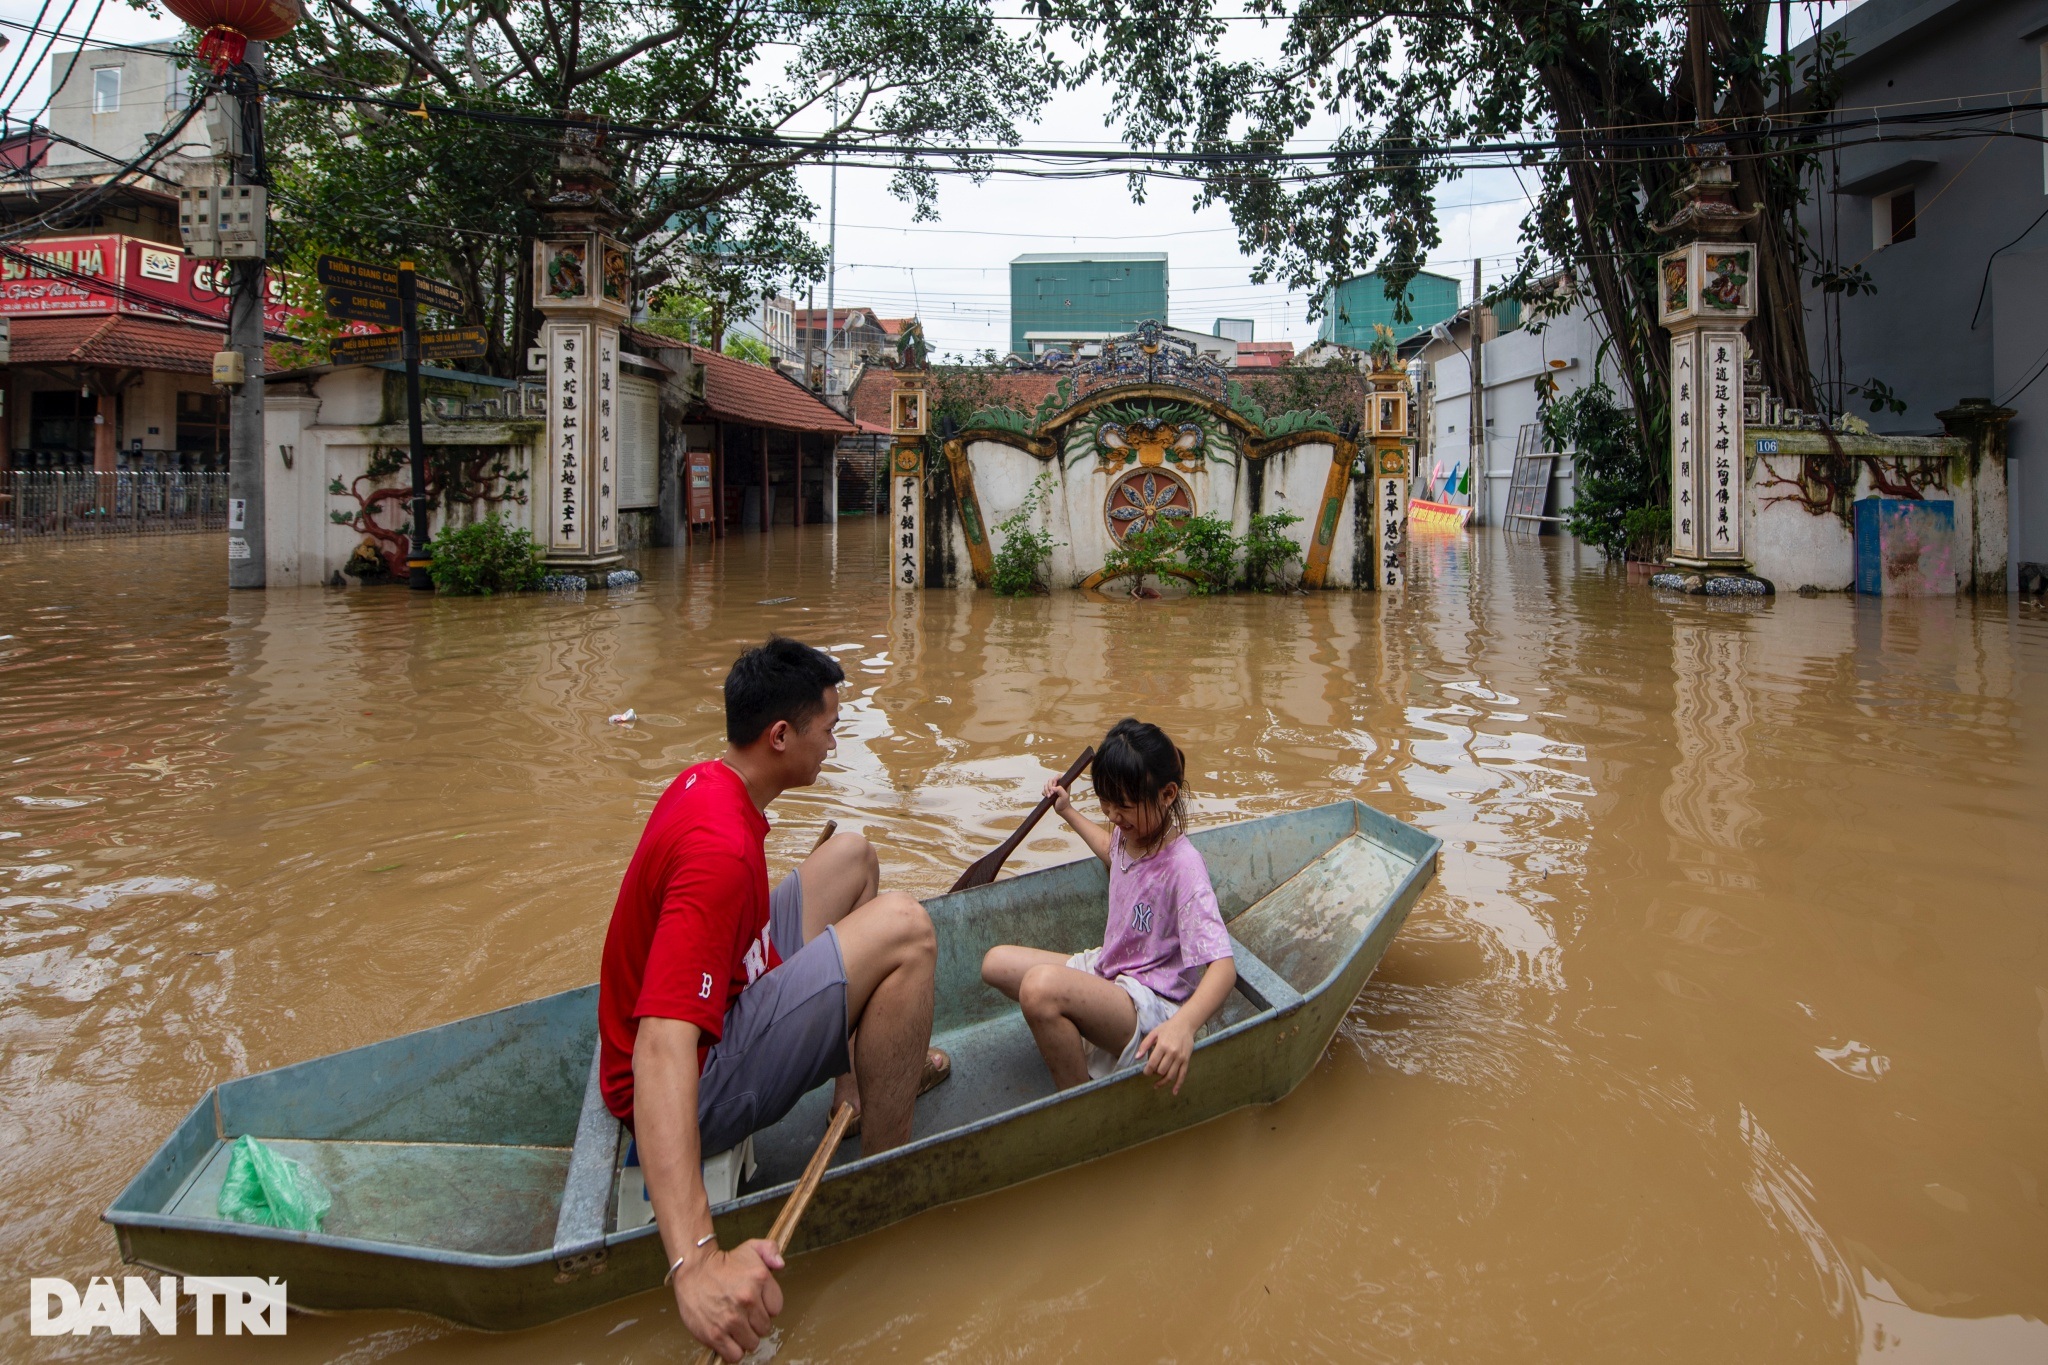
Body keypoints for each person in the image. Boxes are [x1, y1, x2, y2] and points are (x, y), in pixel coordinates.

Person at [598, 637, 950, 1362]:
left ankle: (861, 1080)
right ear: (780, 735)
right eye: (827, 727)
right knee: (908, 930)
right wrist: (695, 1261)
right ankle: (884, 1175)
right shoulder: (719, 854)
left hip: (734, 993)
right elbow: (664, 1045)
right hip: (698, 1079)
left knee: (853, 853)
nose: (834, 740)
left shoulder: (710, 780)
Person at [981, 719, 1236, 1094]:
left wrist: (1184, 1027)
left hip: (1154, 1001)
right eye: (1106, 803)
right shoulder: (1128, 833)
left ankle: (1079, 1102)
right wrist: (1067, 811)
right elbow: (1111, 852)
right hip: (1111, 970)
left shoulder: (1183, 867)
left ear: (1167, 795)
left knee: (1038, 988)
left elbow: (1223, 966)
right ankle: (1080, 1030)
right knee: (996, 964)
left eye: (1124, 807)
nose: (1114, 816)